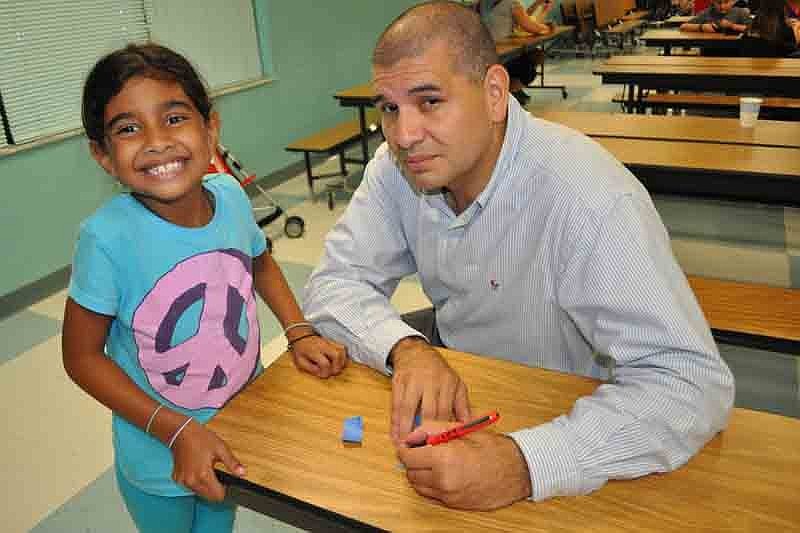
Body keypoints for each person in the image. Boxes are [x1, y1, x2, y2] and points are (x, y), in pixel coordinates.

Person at [303, 1, 734, 511]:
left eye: (429, 102)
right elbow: (333, 283)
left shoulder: (588, 196)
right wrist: (407, 348)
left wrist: (526, 465)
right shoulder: (396, 169)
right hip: (473, 399)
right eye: (389, 108)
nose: (403, 135)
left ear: (493, 94)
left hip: (573, 427)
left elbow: (691, 384)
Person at [63, 43, 347, 532]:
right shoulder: (106, 238)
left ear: (210, 128)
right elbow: (82, 358)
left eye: (174, 118)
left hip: (237, 428)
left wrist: (299, 330)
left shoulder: (232, 197)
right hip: (158, 454)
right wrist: (176, 432)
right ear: (103, 155)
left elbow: (259, 264)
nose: (155, 141)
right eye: (128, 129)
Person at [479, 0, 556, 105]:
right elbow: (528, 25)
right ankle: (504, 95)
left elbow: (523, 15)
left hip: (486, 52)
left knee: (535, 54)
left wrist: (537, 4)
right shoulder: (510, 3)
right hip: (505, 53)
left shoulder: (484, 4)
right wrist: (548, 28)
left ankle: (511, 92)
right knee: (533, 62)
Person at [679, 0, 752, 32]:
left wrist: (732, 26)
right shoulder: (707, 12)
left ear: (733, 1)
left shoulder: (740, 12)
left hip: (736, 52)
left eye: (726, 2)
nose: (722, 6)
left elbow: (753, 30)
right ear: (712, 1)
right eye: (719, 3)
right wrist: (702, 27)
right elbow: (683, 26)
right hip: (710, 52)